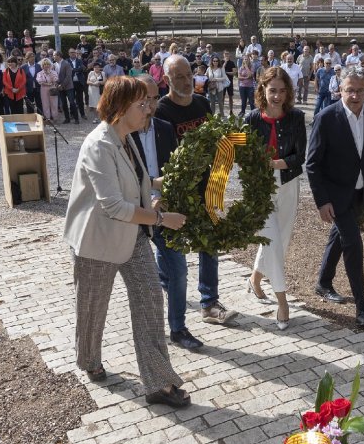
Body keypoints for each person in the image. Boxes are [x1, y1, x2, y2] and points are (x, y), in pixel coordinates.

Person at [63, 76, 191, 409]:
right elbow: (114, 206)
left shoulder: (127, 137)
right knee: (92, 309)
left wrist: (176, 176)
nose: (149, 107)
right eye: (141, 103)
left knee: (150, 301)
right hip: (97, 242)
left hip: (133, 238)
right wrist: (163, 219)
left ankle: (158, 383)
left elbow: (141, 182)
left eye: (148, 102)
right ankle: (89, 359)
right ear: (120, 109)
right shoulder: (97, 144)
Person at [305, 67, 364, 328]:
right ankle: (362, 309)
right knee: (353, 245)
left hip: (359, 194)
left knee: (339, 237)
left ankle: (323, 282)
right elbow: (312, 165)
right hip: (334, 196)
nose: (354, 95)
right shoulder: (326, 118)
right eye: (349, 90)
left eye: (359, 90)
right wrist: (322, 201)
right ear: (340, 90)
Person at [156, 55, 235, 328]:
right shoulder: (160, 111)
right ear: (167, 79)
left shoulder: (202, 104)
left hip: (206, 188)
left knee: (209, 243)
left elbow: (216, 144)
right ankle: (166, 283)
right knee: (170, 245)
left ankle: (209, 302)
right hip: (176, 192)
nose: (187, 81)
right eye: (179, 77)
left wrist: (220, 178)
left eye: (189, 75)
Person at [129, 76, 203, 351]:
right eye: (143, 99)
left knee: (179, 270)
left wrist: (170, 199)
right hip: (134, 213)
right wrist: (146, 197)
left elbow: (173, 170)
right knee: (142, 283)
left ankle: (178, 328)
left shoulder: (164, 127)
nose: (149, 104)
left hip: (165, 212)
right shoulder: (123, 132)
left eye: (153, 97)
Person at [245, 67, 306, 331]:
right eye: (272, 90)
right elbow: (241, 155)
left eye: (282, 91)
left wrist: (275, 164)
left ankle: (255, 279)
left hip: (289, 185)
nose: (277, 96)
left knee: (278, 244)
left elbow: (300, 157)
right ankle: (283, 303)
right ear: (262, 90)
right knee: (270, 241)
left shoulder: (296, 118)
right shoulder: (249, 119)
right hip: (260, 189)